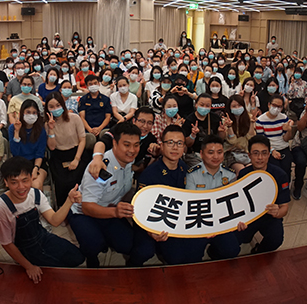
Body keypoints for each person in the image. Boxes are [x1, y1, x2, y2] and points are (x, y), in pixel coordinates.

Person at [68, 122, 151, 267]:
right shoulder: (100, 167)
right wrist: (115, 212)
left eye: (136, 145)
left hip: (108, 208)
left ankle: (104, 237)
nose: (132, 150)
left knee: (127, 244)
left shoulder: (128, 161)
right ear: (115, 143)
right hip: (83, 212)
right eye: (126, 145)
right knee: (93, 244)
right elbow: (87, 207)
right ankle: (91, 256)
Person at [0, 158, 84, 283]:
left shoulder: (35, 194)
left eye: (25, 180)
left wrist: (69, 201)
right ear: (6, 182)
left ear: (31, 178)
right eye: (14, 182)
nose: (21, 187)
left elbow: (54, 220)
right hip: (24, 249)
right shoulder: (0, 208)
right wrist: (28, 266)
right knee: (55, 274)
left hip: (42, 237)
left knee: (77, 257)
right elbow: (7, 244)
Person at [134, 124, 210, 265]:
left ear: (184, 147)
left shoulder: (185, 168)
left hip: (181, 220)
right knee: (175, 258)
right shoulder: (149, 174)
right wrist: (150, 231)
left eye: (179, 143)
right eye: (170, 143)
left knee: (198, 248)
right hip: (159, 223)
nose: (175, 147)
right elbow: (139, 209)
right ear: (162, 146)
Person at [185, 134, 241, 260]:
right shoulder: (192, 175)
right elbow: (191, 206)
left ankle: (213, 253)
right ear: (201, 154)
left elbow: (233, 204)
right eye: (211, 152)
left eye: (219, 152)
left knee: (232, 250)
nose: (216, 156)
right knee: (191, 256)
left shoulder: (230, 175)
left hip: (222, 221)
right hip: (199, 222)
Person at [235, 135, 290, 253]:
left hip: (269, 216)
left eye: (264, 153)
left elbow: (284, 207)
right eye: (255, 153)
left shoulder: (280, 175)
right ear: (249, 155)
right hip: (249, 216)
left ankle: (258, 251)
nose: (260, 158)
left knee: (276, 239)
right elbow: (238, 203)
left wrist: (277, 212)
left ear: (269, 154)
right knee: (238, 237)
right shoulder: (243, 174)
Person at [45, 93, 89, 206]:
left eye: (58, 105)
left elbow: (82, 140)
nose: (55, 109)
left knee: (79, 178)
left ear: (63, 105)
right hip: (58, 156)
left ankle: (81, 206)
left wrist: (76, 159)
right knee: (62, 183)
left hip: (77, 153)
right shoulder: (47, 124)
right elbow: (52, 147)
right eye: (51, 107)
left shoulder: (74, 118)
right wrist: (51, 129)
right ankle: (64, 209)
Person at [9, 99, 48, 190]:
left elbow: (40, 153)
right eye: (28, 112)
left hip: (37, 163)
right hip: (19, 162)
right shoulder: (13, 128)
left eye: (34, 113)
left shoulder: (41, 130)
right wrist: (17, 132)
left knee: (36, 185)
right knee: (21, 186)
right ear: (22, 113)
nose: (31, 115)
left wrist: (35, 169)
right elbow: (15, 152)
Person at [256, 94, 294, 180]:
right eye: (274, 105)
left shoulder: (284, 118)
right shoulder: (260, 120)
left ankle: (286, 186)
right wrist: (272, 151)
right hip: (269, 149)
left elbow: (286, 139)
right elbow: (262, 140)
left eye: (279, 107)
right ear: (269, 104)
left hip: (283, 147)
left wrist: (289, 130)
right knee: (275, 171)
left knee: (286, 169)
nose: (276, 108)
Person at [182, 94, 227, 158]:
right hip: (195, 154)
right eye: (202, 105)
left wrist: (221, 132)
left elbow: (222, 138)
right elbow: (187, 144)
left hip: (213, 152)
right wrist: (192, 135)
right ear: (196, 105)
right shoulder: (189, 120)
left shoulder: (215, 118)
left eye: (207, 105)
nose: (204, 107)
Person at [223, 95, 257, 173]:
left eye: (239, 105)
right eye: (234, 106)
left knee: (251, 170)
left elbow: (251, 138)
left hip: (246, 152)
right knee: (241, 171)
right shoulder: (225, 121)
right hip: (231, 153)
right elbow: (232, 141)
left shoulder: (249, 117)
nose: (237, 108)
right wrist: (230, 127)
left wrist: (252, 124)